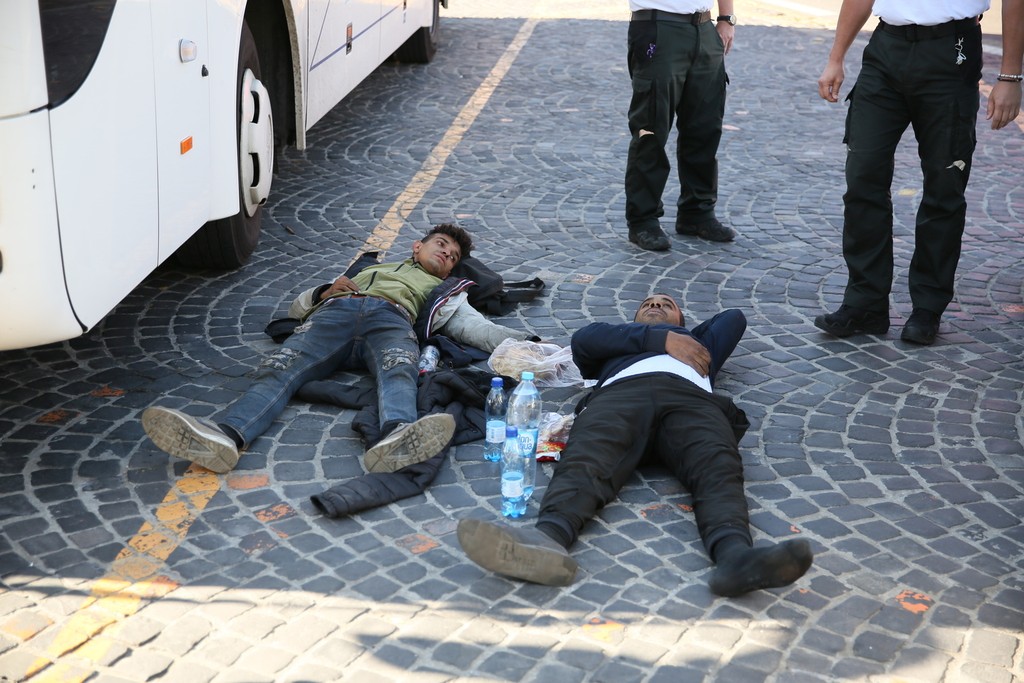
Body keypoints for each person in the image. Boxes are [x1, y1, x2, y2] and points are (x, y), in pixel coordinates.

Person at [457, 295, 813, 597]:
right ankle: (546, 539)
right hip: (622, 395)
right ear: (634, 318)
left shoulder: (699, 346)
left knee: (717, 464)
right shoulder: (618, 340)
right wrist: (658, 339)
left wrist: (683, 335)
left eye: (667, 304)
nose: (656, 305)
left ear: (683, 320)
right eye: (648, 304)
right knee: (588, 456)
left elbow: (733, 318)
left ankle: (735, 557)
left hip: (689, 400)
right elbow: (584, 340)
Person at [142, 224, 533, 475]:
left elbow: (476, 328)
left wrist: (529, 347)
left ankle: (397, 436)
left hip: (391, 321)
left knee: (400, 370)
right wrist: (322, 292)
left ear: (450, 270)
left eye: (452, 257)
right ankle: (228, 436)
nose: (446, 253)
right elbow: (297, 309)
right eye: (441, 244)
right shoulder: (368, 270)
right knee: (281, 366)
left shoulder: (446, 290)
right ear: (417, 247)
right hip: (335, 314)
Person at [814, 0, 1023, 345]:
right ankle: (865, 303)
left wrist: (1010, 76)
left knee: (944, 187)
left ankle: (927, 308)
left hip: (952, 52)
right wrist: (836, 57)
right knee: (863, 177)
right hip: (885, 50)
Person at [625, 2, 738, 251]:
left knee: (705, 127)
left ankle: (697, 213)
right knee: (651, 129)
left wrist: (726, 18)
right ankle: (643, 220)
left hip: (705, 28)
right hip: (658, 27)